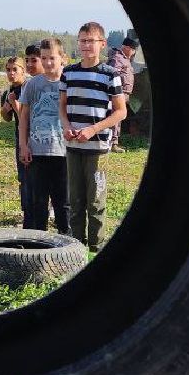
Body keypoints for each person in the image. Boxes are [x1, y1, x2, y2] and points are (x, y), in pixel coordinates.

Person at [59, 21, 126, 251]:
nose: (86, 45)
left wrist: (92, 130)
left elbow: (121, 111)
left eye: (91, 41)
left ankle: (96, 248)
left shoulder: (111, 75)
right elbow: (62, 106)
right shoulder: (68, 73)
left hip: (97, 147)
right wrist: (66, 125)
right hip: (72, 145)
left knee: (95, 200)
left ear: (102, 44)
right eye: (82, 40)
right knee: (75, 200)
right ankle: (76, 248)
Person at [17, 38, 70, 234]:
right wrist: (23, 145)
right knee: (38, 203)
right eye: (44, 58)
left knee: (63, 204)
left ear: (62, 58)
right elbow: (24, 116)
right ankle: (37, 246)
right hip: (37, 153)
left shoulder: (69, 83)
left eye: (52, 58)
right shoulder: (32, 85)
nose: (48, 63)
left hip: (63, 153)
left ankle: (67, 246)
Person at [0, 56, 32, 226]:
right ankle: (26, 212)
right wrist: (6, 110)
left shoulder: (29, 88)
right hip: (19, 139)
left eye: (14, 70)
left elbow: (26, 119)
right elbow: (6, 118)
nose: (11, 74)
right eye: (8, 70)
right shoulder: (10, 91)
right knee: (23, 178)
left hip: (33, 139)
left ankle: (37, 213)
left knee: (33, 178)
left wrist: (15, 104)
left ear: (23, 71)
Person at [106, 35, 138, 151]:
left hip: (122, 94)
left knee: (117, 118)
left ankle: (114, 142)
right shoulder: (118, 58)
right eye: (133, 50)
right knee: (114, 117)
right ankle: (112, 143)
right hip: (117, 94)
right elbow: (113, 73)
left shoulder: (124, 58)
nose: (134, 53)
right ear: (128, 48)